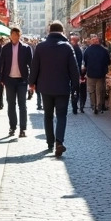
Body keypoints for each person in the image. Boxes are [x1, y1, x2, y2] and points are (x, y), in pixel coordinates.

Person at [29, 21, 79, 157]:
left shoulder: (40, 47)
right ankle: (59, 142)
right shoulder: (67, 47)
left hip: (45, 88)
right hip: (62, 88)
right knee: (62, 115)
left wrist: (31, 83)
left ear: (49, 31)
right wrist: (76, 86)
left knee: (48, 116)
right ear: (62, 32)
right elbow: (74, 70)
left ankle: (50, 143)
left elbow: (34, 67)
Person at [0, 28, 34, 138]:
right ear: (10, 36)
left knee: (22, 105)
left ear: (19, 36)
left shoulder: (26, 48)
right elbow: (0, 64)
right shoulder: (5, 48)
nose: (14, 37)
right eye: (12, 35)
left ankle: (22, 129)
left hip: (22, 80)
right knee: (11, 104)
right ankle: (12, 127)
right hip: (9, 80)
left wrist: (31, 81)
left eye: (16, 35)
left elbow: (31, 65)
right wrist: (0, 79)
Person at [82, 34, 111, 114]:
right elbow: (108, 62)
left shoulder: (87, 50)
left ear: (91, 41)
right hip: (101, 74)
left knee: (92, 90)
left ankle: (93, 105)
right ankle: (99, 106)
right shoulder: (104, 50)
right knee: (99, 91)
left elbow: (85, 62)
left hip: (91, 74)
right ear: (99, 41)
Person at [69, 34, 86, 113]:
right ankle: (80, 106)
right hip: (79, 73)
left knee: (74, 91)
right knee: (79, 90)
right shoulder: (79, 49)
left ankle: (75, 107)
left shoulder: (71, 49)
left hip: (73, 73)